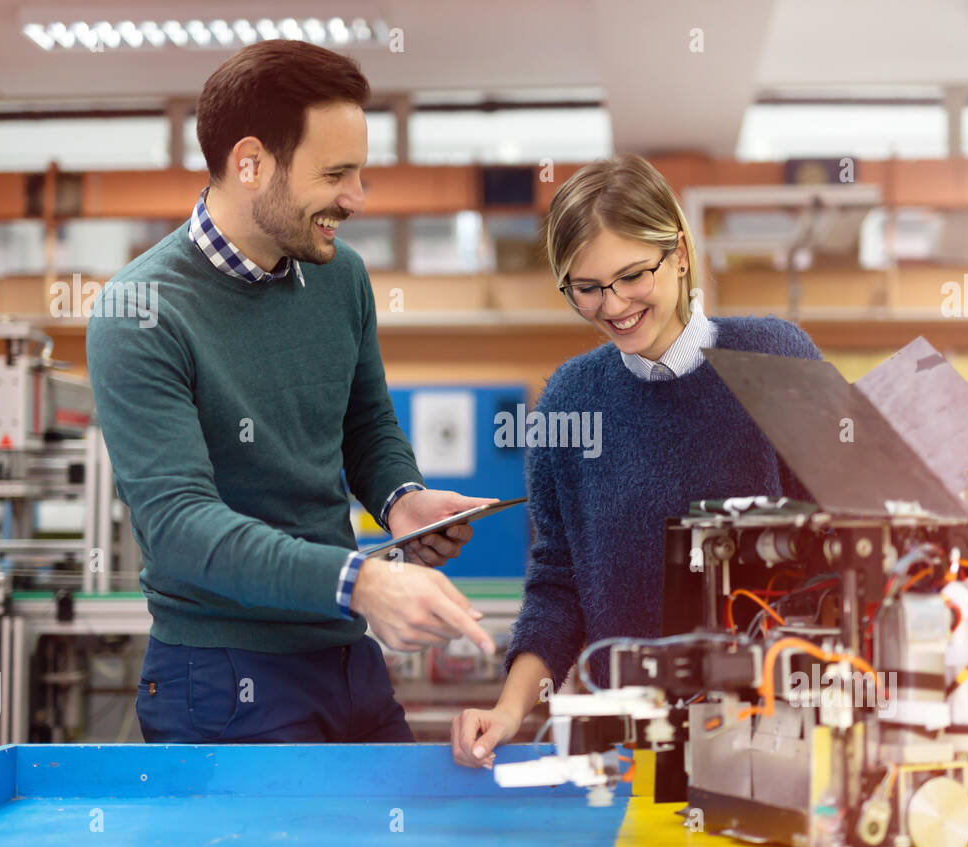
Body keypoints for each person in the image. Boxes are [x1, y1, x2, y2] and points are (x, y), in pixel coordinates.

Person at [87, 40, 495, 745]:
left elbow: (366, 426)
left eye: (361, 173)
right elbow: (181, 529)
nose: (357, 200)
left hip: (345, 659)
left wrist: (402, 499)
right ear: (250, 163)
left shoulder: (340, 278)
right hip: (219, 677)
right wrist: (360, 583)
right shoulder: (141, 312)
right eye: (336, 174)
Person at [451, 155, 822, 767]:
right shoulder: (569, 400)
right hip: (630, 747)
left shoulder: (777, 359)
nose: (613, 305)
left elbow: (851, 542)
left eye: (630, 276)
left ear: (678, 251)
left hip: (776, 739)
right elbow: (558, 582)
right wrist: (510, 709)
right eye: (586, 288)